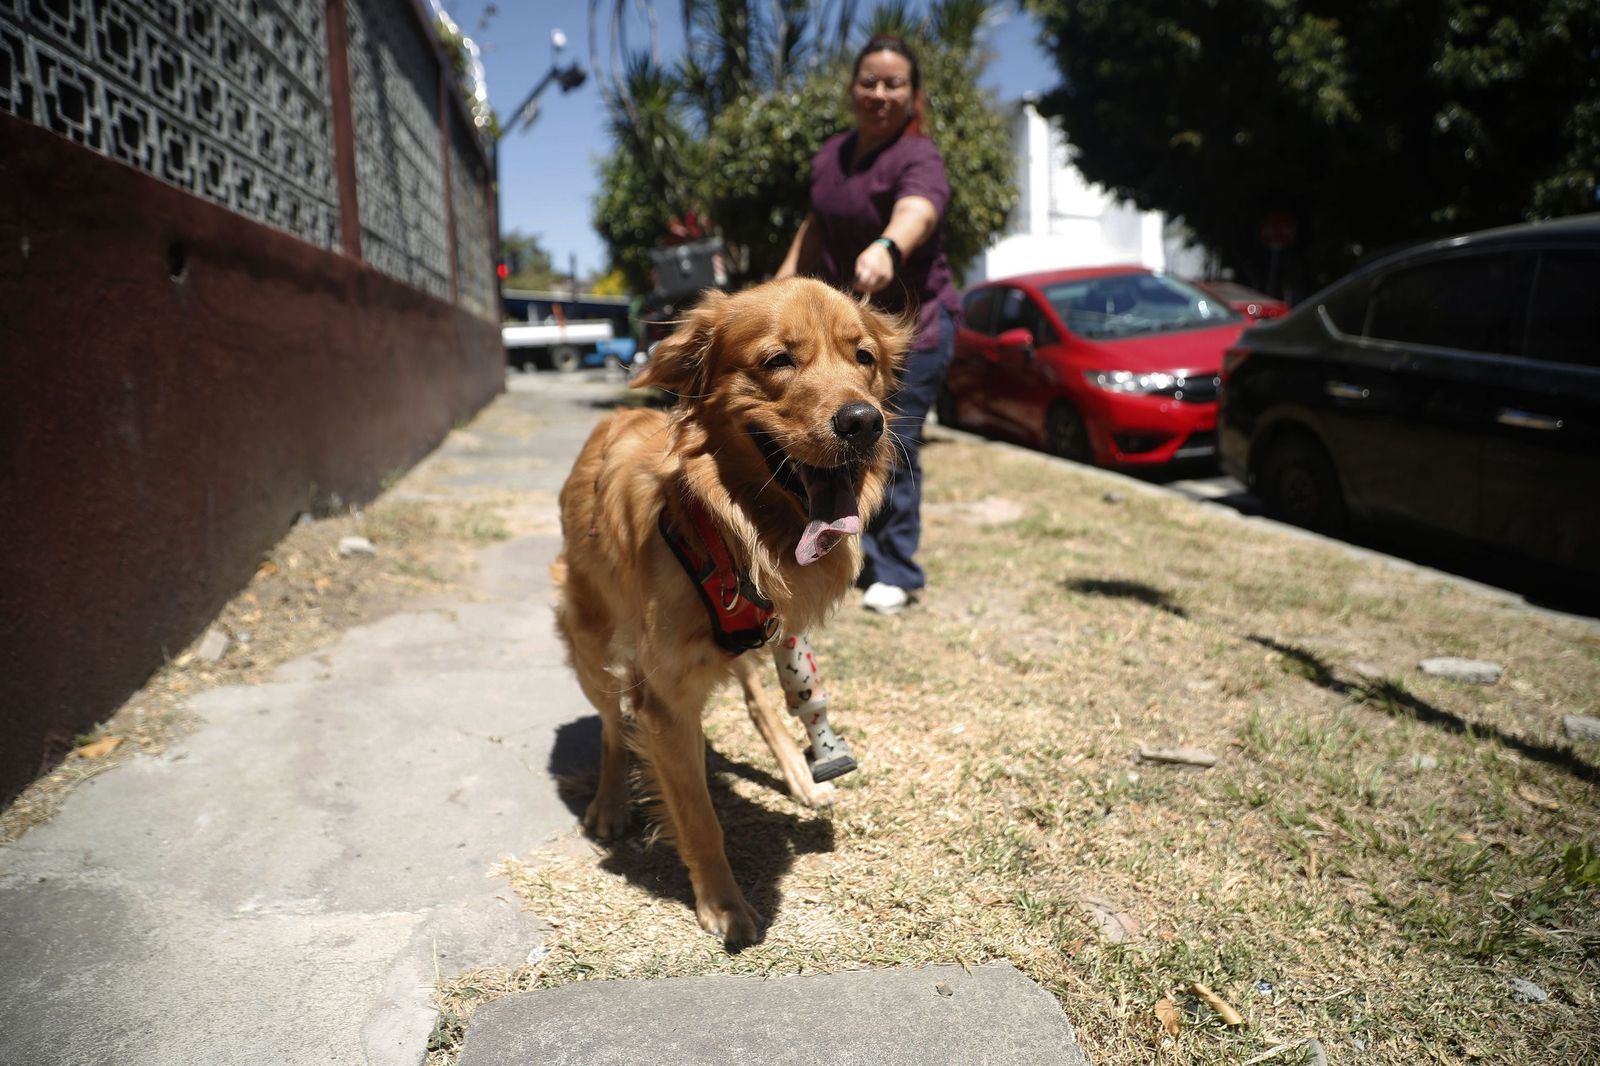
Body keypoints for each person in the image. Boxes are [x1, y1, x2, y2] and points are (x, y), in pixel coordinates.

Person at [775, 34, 960, 615]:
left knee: (891, 439)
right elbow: (816, 225)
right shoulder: (832, 154)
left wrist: (887, 246)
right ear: (854, 88)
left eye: (894, 84)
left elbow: (919, 209)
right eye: (870, 82)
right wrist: (776, 286)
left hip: (913, 325)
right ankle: (841, 551)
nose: (880, 93)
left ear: (913, 95)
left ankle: (896, 569)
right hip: (843, 332)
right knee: (831, 440)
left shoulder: (917, 156)